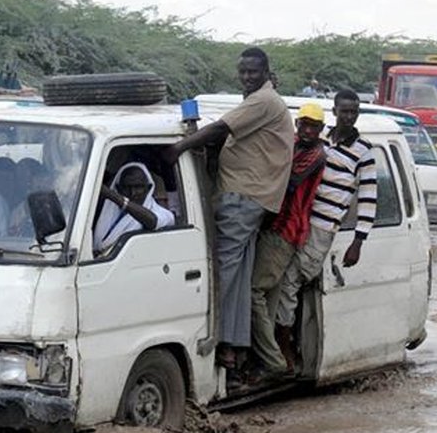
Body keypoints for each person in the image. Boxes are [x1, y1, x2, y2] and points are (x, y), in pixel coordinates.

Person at [162, 47, 294, 370]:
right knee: (236, 272)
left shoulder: (264, 100)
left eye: (253, 71)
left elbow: (222, 129)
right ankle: (234, 347)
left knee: (219, 270)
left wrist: (179, 147)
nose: (247, 76)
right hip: (250, 198)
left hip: (243, 197)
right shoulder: (260, 101)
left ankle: (213, 338)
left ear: (265, 72)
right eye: (243, 71)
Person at [273, 90, 375, 344]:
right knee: (278, 281)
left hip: (322, 226)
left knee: (289, 283)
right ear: (335, 111)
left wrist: (358, 242)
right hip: (297, 219)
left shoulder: (364, 152)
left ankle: (283, 346)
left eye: (354, 112)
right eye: (345, 111)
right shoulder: (320, 139)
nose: (349, 116)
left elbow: (368, 198)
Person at [250, 102, 327, 379]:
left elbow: (288, 179)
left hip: (285, 229)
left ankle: (272, 359)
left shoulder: (316, 154)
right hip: (272, 226)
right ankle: (264, 356)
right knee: (269, 293)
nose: (307, 130)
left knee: (254, 291)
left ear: (321, 130)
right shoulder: (293, 144)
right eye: (303, 124)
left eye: (313, 126)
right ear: (297, 124)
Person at [93, 162, 175, 252]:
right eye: (127, 187)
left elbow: (153, 221)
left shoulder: (162, 213)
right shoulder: (107, 212)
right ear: (118, 188)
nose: (133, 193)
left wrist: (115, 197)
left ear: (148, 188)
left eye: (138, 187)